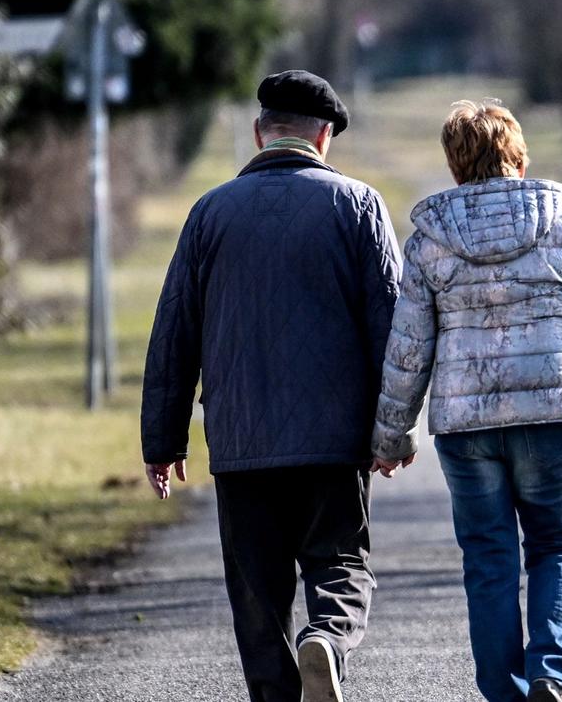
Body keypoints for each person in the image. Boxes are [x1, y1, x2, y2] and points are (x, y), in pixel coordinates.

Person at [370, 100, 562, 702]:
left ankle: (506, 692)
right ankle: (550, 674)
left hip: (465, 425)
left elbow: (408, 348)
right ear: (518, 158)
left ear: (455, 166)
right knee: (555, 543)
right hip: (551, 415)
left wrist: (392, 436)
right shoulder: (561, 226)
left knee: (488, 556)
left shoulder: (428, 244)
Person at [140, 70, 403, 702]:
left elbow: (174, 331)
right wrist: (395, 430)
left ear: (261, 133)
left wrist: (162, 439)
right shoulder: (358, 206)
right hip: (334, 440)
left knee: (257, 598)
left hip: (241, 440)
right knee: (340, 562)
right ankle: (328, 639)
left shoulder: (209, 213)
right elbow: (394, 328)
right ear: (324, 137)